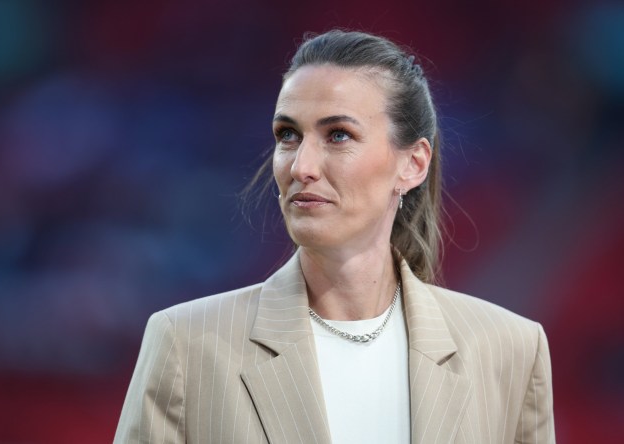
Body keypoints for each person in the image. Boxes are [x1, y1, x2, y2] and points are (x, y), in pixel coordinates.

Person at [114, 30, 555, 443]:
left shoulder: (510, 350)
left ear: (413, 164)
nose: (301, 166)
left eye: (338, 135)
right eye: (288, 135)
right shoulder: (186, 344)